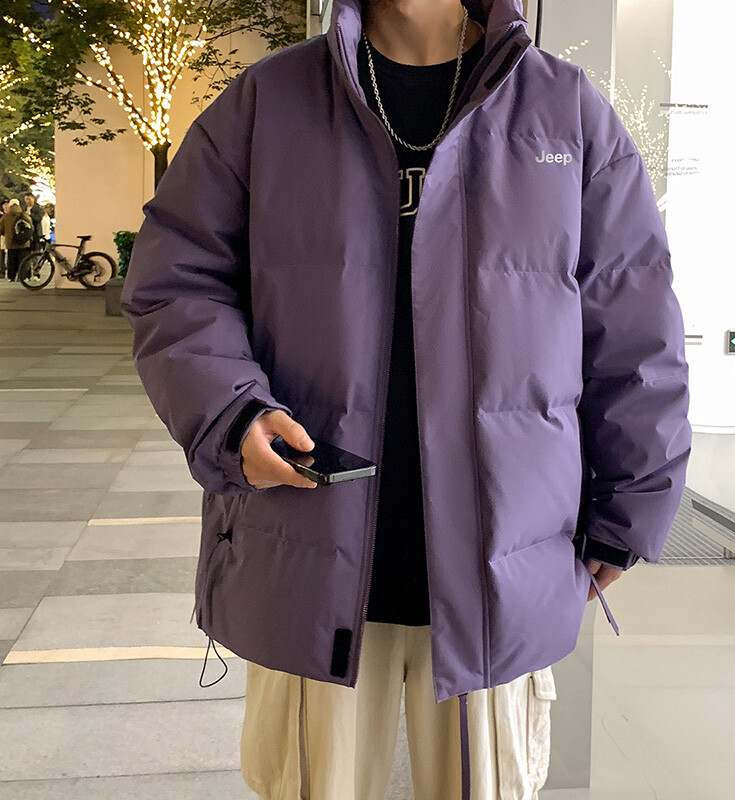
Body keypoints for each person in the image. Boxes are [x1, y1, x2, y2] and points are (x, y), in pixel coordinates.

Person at [120, 0, 692, 798]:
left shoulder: (565, 111)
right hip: (305, 552)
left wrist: (630, 508)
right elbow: (176, 280)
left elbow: (634, 327)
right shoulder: (267, 103)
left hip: (503, 569)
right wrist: (230, 410)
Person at [1, 198, 33, 282]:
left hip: (11, 243)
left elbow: (1, 229)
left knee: (11, 261)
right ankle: (23, 277)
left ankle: (11, 277)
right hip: (24, 242)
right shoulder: (24, 215)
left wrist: (7, 234)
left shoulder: (5, 217)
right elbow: (31, 228)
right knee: (23, 260)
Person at [0, 198, 8, 278]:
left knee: (9, 254)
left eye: (7, 204)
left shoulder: (11, 214)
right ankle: (2, 270)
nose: (6, 206)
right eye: (4, 204)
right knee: (1, 253)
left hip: (9, 236)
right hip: (2, 237)